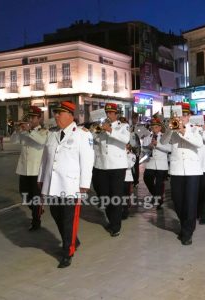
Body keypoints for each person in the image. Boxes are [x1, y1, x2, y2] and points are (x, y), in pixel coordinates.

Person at [38, 101, 94, 268]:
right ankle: (72, 240)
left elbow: (87, 162)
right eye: (55, 113)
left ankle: (67, 252)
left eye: (59, 113)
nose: (56, 116)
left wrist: (84, 185)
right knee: (57, 216)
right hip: (53, 185)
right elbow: (44, 160)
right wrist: (41, 179)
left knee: (69, 220)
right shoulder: (52, 134)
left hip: (72, 186)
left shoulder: (83, 135)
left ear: (70, 115)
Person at [160, 102, 203, 246]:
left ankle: (188, 232)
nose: (182, 117)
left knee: (190, 202)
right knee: (177, 201)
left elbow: (198, 143)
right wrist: (169, 129)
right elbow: (163, 141)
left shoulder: (195, 129)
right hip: (177, 170)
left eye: (185, 115)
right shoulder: (172, 127)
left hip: (192, 170)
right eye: (180, 115)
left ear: (189, 116)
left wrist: (183, 130)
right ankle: (185, 225)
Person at [92, 103, 130, 237]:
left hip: (117, 166)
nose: (108, 115)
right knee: (104, 195)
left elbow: (125, 139)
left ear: (116, 114)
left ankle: (116, 225)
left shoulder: (123, 126)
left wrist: (110, 130)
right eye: (107, 113)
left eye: (111, 113)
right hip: (102, 165)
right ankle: (112, 219)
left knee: (116, 196)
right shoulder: (102, 127)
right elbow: (95, 141)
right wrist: (93, 132)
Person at [11, 106, 47, 231]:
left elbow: (42, 141)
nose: (31, 119)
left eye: (33, 117)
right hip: (23, 169)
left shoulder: (43, 131)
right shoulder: (25, 131)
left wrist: (29, 131)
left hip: (36, 170)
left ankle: (36, 222)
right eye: (29, 117)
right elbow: (13, 141)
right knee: (24, 195)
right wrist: (17, 131)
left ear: (39, 118)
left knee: (35, 197)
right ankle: (38, 209)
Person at [142, 117, 171, 209]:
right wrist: (148, 147)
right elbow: (143, 149)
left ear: (159, 128)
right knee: (147, 178)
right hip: (151, 163)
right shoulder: (147, 138)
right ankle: (157, 196)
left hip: (162, 164)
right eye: (152, 127)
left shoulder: (164, 137)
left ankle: (158, 200)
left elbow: (169, 149)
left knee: (159, 184)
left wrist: (157, 145)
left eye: (155, 127)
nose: (153, 129)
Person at [122, 144, 136, 219]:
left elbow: (129, 165)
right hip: (118, 177)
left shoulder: (132, 155)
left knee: (126, 196)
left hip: (127, 178)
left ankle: (125, 211)